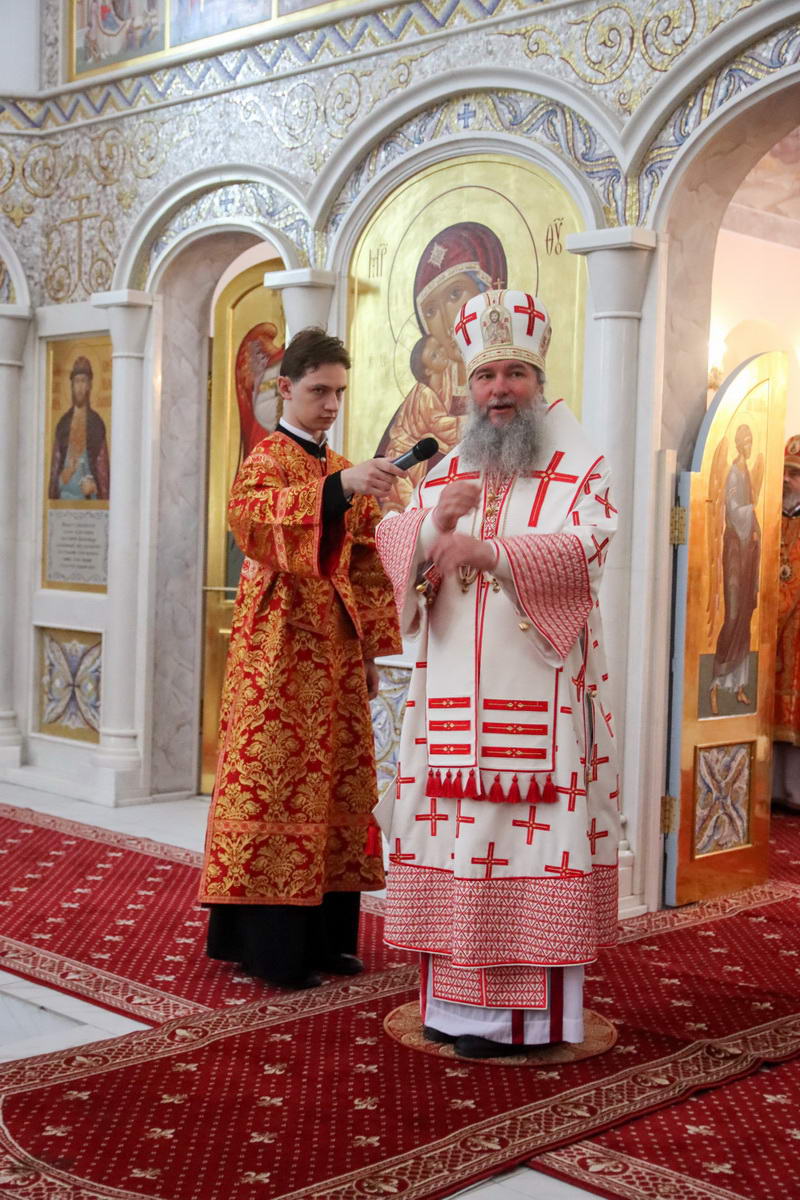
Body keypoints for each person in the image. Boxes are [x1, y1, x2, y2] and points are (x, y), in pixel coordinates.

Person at [375, 288, 620, 1058]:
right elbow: (395, 546)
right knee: (454, 848)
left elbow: (591, 548)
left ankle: (531, 1024)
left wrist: (494, 553)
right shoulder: (449, 467)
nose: (499, 389)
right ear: (469, 386)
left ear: (538, 381)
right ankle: (453, 1013)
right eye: (486, 375)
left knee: (523, 847)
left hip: (536, 710)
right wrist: (432, 528)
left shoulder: (580, 464)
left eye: (514, 373)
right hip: (448, 712)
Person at [199, 326, 403, 988]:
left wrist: (371, 651)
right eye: (319, 391)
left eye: (339, 392)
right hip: (278, 654)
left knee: (336, 788)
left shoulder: (339, 463)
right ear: (285, 388)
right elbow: (252, 523)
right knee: (275, 789)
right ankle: (269, 950)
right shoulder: (267, 458)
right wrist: (340, 489)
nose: (331, 404)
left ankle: (324, 940)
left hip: (336, 657)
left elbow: (366, 563)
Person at [376, 221, 508, 511]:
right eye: (432, 311)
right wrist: (396, 510)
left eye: (455, 294)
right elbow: (399, 452)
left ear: (487, 292)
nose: (448, 321)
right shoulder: (425, 395)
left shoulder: (512, 395)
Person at [709, 424, 761, 715]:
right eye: (747, 441)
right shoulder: (733, 473)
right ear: (740, 444)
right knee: (732, 615)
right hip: (734, 551)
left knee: (746, 615)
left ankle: (739, 685)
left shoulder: (747, 472)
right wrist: (751, 511)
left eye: (752, 441)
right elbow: (731, 508)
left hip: (748, 554)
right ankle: (715, 683)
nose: (750, 446)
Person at [773, 435, 800, 810]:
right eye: (784, 471)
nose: (786, 479)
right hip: (768, 629)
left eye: (795, 474)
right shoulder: (767, 518)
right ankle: (772, 793)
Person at [48, 356, 110, 501]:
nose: (80, 387)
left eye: (84, 381)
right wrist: (64, 476)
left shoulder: (96, 424)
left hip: (90, 504)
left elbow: (103, 475)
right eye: (77, 381)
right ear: (72, 385)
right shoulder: (63, 424)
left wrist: (94, 487)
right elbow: (54, 476)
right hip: (64, 504)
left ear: (89, 385)